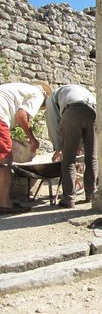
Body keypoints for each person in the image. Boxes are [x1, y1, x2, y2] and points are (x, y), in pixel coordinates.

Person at [0, 80, 52, 214]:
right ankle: (4, 204)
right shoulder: (38, 94)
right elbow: (22, 115)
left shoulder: (17, 88)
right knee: (5, 161)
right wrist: (32, 139)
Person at [45, 84, 98, 208]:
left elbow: (52, 123)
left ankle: (68, 199)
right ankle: (91, 194)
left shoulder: (52, 98)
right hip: (94, 111)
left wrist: (58, 147)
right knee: (92, 157)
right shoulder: (78, 89)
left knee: (69, 160)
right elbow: (83, 114)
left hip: (73, 110)